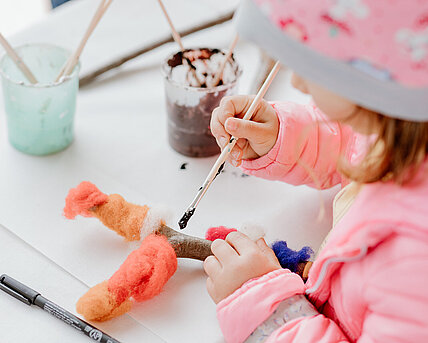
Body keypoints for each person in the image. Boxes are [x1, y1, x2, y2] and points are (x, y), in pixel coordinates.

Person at [203, 0, 428, 342]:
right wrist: (281, 136)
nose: (298, 82)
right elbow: (357, 139)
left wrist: (267, 310)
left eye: (315, 64)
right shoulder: (404, 129)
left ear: (375, 79)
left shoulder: (413, 269)